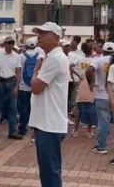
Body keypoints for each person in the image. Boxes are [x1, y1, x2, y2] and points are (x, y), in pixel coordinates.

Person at [29, 22, 69, 187]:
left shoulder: (55, 59)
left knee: (50, 171)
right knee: (47, 170)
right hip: (47, 122)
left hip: (49, 123)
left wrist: (36, 70)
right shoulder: (52, 57)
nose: (39, 36)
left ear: (56, 38)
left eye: (44, 33)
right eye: (39, 33)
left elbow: (36, 87)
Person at [88, 42, 114, 154]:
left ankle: (102, 146)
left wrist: (91, 83)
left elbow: (89, 70)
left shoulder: (98, 60)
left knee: (103, 122)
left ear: (103, 50)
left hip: (101, 95)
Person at [0, 36, 22, 139]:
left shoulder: (17, 56)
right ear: (4, 44)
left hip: (11, 81)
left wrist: (17, 86)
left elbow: (18, 71)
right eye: (8, 43)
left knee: (12, 108)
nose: (10, 45)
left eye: (12, 43)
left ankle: (13, 132)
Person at [17, 37, 42, 137]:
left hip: (23, 86)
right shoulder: (39, 56)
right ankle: (34, 128)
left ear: (26, 46)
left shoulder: (21, 56)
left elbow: (18, 71)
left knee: (24, 108)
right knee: (34, 108)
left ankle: (22, 129)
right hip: (35, 86)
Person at [72, 42, 95, 138]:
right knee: (91, 108)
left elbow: (70, 66)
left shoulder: (79, 59)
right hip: (91, 84)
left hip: (82, 83)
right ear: (91, 50)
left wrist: (78, 74)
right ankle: (89, 131)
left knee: (79, 107)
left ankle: (76, 130)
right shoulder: (94, 61)